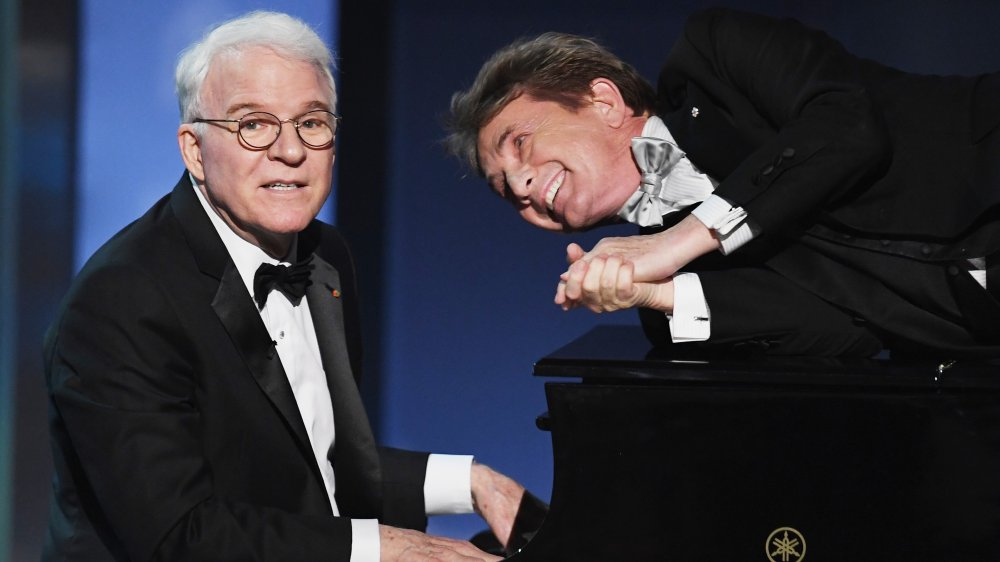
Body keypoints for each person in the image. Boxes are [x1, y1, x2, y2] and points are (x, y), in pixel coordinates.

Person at [43, 11, 524, 562]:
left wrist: (473, 483)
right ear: (194, 151)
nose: (290, 151)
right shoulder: (122, 300)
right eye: (254, 124)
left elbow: (311, 459)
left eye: (312, 123)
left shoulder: (326, 255)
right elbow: (178, 535)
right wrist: (389, 549)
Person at [446, 8, 1000, 358]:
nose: (518, 185)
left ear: (603, 100)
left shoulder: (714, 57)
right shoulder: (675, 301)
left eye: (518, 143)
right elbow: (843, 332)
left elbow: (847, 128)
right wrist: (652, 292)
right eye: (503, 189)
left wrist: (678, 240)